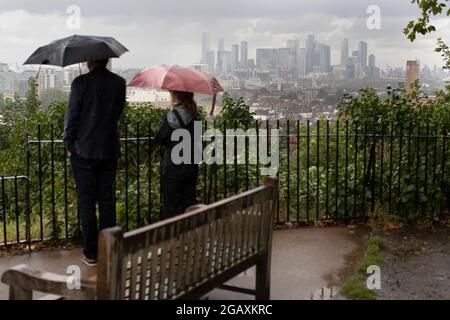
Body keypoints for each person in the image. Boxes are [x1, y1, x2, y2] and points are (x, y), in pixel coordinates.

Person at [63, 58, 126, 267]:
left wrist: (69, 144)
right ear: (107, 59)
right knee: (107, 201)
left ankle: (91, 253)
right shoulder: (119, 82)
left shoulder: (80, 83)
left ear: (89, 61)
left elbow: (72, 117)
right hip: (108, 150)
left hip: (83, 151)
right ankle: (108, 250)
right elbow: (117, 114)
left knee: (86, 202)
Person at [156, 90, 200, 217]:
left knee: (172, 208)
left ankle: (175, 236)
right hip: (191, 167)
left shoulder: (172, 116)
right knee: (189, 206)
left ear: (176, 95)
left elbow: (159, 138)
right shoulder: (195, 116)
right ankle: (188, 235)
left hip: (172, 168)